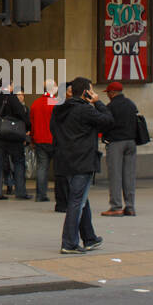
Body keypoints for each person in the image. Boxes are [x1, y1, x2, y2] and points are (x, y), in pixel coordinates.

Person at [51, 76, 113, 254]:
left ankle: (89, 238)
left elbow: (53, 130)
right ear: (86, 92)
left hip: (66, 160)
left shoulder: (59, 109)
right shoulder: (85, 110)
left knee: (81, 199)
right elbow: (109, 121)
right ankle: (69, 243)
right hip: (83, 161)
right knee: (77, 201)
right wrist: (98, 102)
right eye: (91, 90)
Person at [101, 80, 139, 217]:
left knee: (115, 175)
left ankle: (116, 206)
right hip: (131, 142)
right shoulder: (131, 104)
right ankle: (130, 206)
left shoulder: (110, 107)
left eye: (108, 93)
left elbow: (106, 124)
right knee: (129, 175)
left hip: (116, 142)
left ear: (112, 93)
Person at [0, 85, 30, 199]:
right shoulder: (12, 99)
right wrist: (27, 129)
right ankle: (20, 191)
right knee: (18, 163)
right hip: (14, 137)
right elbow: (22, 114)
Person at [29, 82, 60, 202]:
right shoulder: (55, 102)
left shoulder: (36, 103)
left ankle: (40, 195)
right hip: (54, 139)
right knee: (58, 168)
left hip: (39, 140)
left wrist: (32, 139)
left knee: (42, 167)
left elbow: (32, 123)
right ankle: (59, 194)